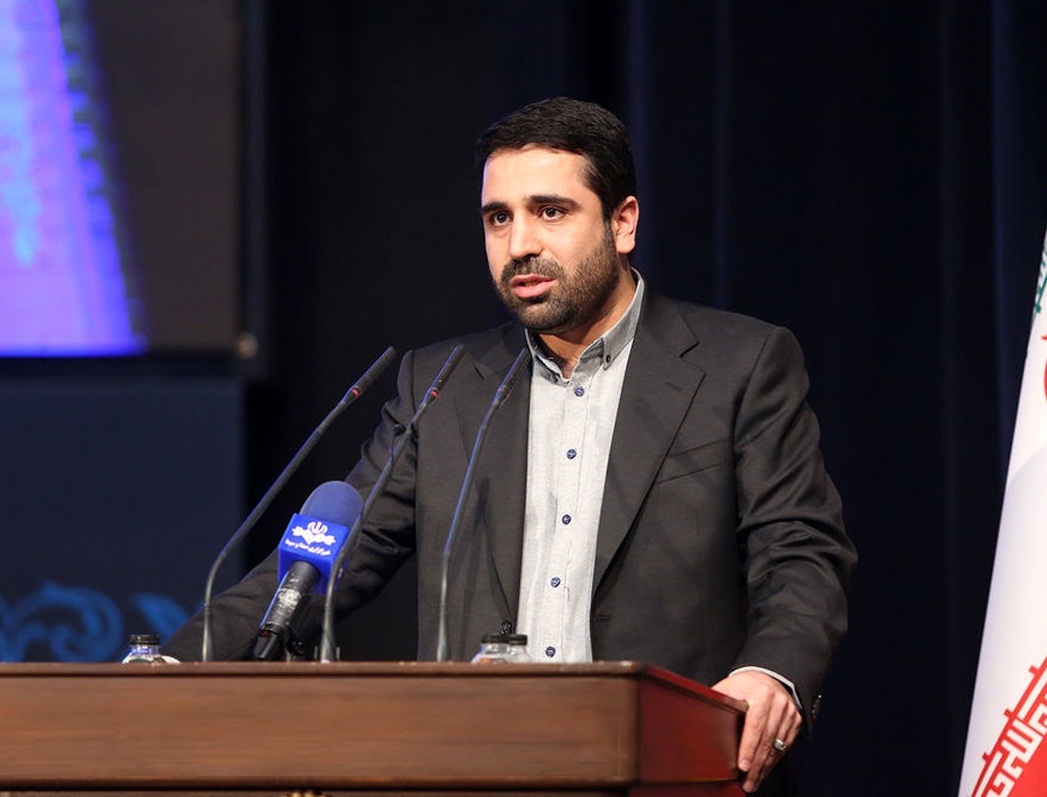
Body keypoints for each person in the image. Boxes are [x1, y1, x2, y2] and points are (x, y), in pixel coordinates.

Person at [164, 97, 856, 795]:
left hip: (671, 766)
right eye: (499, 218)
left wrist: (771, 672)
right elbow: (327, 560)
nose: (519, 242)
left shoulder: (737, 365)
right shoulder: (442, 384)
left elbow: (799, 550)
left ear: (622, 223)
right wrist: (169, 668)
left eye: (550, 211)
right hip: (482, 766)